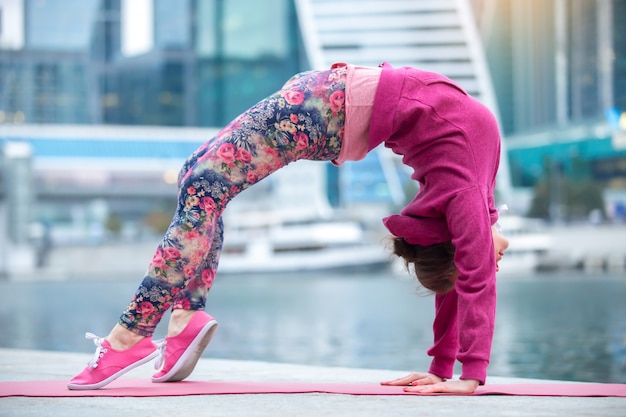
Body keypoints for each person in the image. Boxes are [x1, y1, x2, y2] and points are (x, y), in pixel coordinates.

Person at [68, 61, 509, 394]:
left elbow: (471, 276)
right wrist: (446, 369)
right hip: (328, 104)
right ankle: (184, 317)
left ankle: (130, 334)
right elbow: (470, 276)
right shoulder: (475, 195)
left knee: (205, 187)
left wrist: (463, 375)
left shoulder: (466, 196)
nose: (492, 261)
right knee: (194, 177)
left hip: (327, 110)